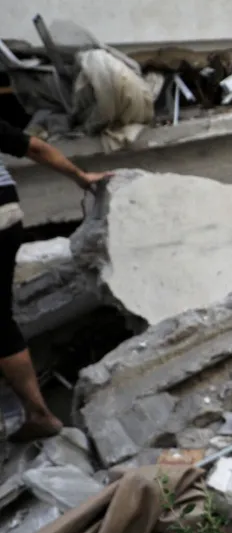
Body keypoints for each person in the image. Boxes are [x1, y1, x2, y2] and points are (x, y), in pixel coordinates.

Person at [0, 117, 112, 441]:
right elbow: (34, 147)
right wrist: (80, 177)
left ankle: (38, 413)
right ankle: (35, 411)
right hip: (8, 216)